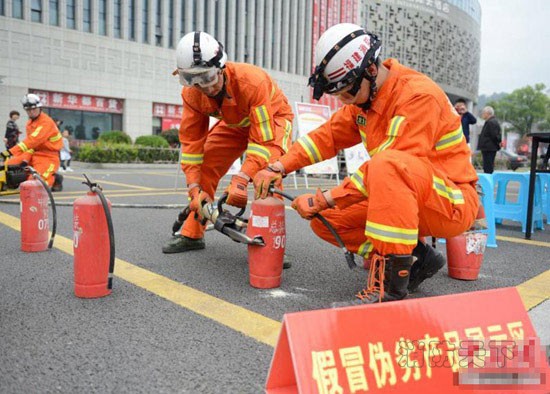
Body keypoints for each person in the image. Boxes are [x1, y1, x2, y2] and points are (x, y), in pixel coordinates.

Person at [254, 23, 479, 306]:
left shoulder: (418, 96)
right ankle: (418, 257)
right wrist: (279, 167)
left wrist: (326, 197)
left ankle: (390, 287)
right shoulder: (364, 102)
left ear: (371, 71)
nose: (344, 101)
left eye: (347, 93)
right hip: (409, 198)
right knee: (327, 222)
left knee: (387, 164)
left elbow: (388, 167)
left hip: (451, 202)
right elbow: (326, 138)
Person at [162, 31, 294, 254]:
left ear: (221, 67)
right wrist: (194, 188)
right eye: (195, 80)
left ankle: (272, 244)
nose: (204, 87)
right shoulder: (192, 95)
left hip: (273, 121)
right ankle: (193, 234)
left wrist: (242, 179)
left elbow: (262, 140)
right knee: (205, 165)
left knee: (267, 175)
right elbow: (192, 144)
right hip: (236, 124)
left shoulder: (252, 82)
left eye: (208, 77)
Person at [1, 94, 63, 187]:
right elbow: (30, 145)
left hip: (48, 156)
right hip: (34, 153)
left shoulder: (46, 122)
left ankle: (55, 179)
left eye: (34, 109)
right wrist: (25, 158)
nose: (31, 112)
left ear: (40, 107)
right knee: (8, 166)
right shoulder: (30, 123)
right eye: (28, 110)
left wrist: (10, 152)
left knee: (35, 182)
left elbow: (33, 140)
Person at [477, 106, 502, 174]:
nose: (482, 115)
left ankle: (489, 182)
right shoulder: (489, 122)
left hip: (489, 148)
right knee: (487, 166)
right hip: (488, 148)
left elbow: (495, 136)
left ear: (488, 113)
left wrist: (497, 143)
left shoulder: (491, 122)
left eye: (483, 113)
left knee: (488, 167)